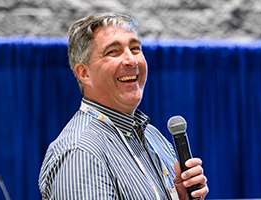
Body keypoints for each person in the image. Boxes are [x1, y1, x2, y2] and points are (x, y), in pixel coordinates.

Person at [39, 12, 208, 200]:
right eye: (113, 52)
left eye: (135, 48)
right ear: (84, 73)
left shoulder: (153, 136)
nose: (132, 60)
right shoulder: (81, 152)